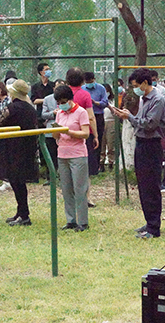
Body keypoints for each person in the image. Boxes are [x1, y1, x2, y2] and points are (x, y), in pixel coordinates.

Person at [111, 68, 165, 239]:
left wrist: (130, 117)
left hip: (151, 146)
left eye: (136, 85)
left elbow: (150, 124)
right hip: (141, 143)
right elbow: (141, 122)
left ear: (145, 82)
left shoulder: (157, 100)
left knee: (151, 186)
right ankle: (149, 221)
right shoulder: (144, 98)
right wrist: (128, 116)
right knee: (143, 186)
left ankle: (154, 227)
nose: (135, 89)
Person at [0, 79, 38, 226]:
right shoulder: (30, 108)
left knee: (16, 182)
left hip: (12, 149)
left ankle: (24, 215)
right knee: (19, 182)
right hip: (27, 148)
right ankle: (21, 212)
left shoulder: (12, 108)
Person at [53, 84, 91, 232]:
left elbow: (85, 133)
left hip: (78, 155)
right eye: (59, 102)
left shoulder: (81, 112)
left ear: (70, 99)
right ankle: (71, 220)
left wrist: (69, 132)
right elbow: (56, 135)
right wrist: (56, 131)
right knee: (66, 189)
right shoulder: (60, 114)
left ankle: (83, 221)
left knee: (79, 189)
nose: (61, 105)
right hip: (62, 153)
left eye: (63, 101)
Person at [66, 68, 98, 206]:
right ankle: (86, 197)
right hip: (83, 134)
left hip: (66, 133)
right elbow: (91, 117)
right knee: (85, 167)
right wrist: (95, 135)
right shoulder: (85, 95)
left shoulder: (64, 93)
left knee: (67, 167)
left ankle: (71, 197)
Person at [82, 71, 108, 175]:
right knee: (87, 140)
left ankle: (96, 166)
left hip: (98, 116)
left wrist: (95, 102)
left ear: (94, 79)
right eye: (87, 82)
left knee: (98, 140)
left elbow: (105, 102)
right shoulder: (82, 89)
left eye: (90, 81)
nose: (89, 83)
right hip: (86, 116)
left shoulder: (101, 88)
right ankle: (88, 166)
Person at [41, 79, 66, 175]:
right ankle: (50, 175)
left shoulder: (68, 100)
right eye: (57, 87)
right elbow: (43, 114)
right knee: (51, 154)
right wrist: (53, 113)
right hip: (51, 129)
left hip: (63, 129)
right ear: (53, 88)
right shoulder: (47, 99)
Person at [100, 84, 115, 172]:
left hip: (111, 122)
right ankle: (101, 162)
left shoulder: (113, 101)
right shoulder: (99, 100)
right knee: (102, 143)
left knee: (110, 143)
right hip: (102, 121)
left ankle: (111, 162)